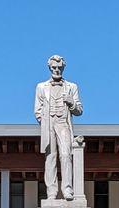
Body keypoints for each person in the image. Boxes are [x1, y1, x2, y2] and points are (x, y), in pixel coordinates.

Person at [34, 55, 83, 200]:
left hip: (63, 124)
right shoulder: (41, 87)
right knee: (50, 158)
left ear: (63, 67)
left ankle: (67, 189)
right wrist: (44, 121)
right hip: (49, 124)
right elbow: (37, 110)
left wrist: (71, 103)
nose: (57, 70)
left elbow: (79, 110)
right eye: (54, 67)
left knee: (66, 155)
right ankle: (51, 191)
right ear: (50, 68)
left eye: (60, 67)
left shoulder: (72, 87)